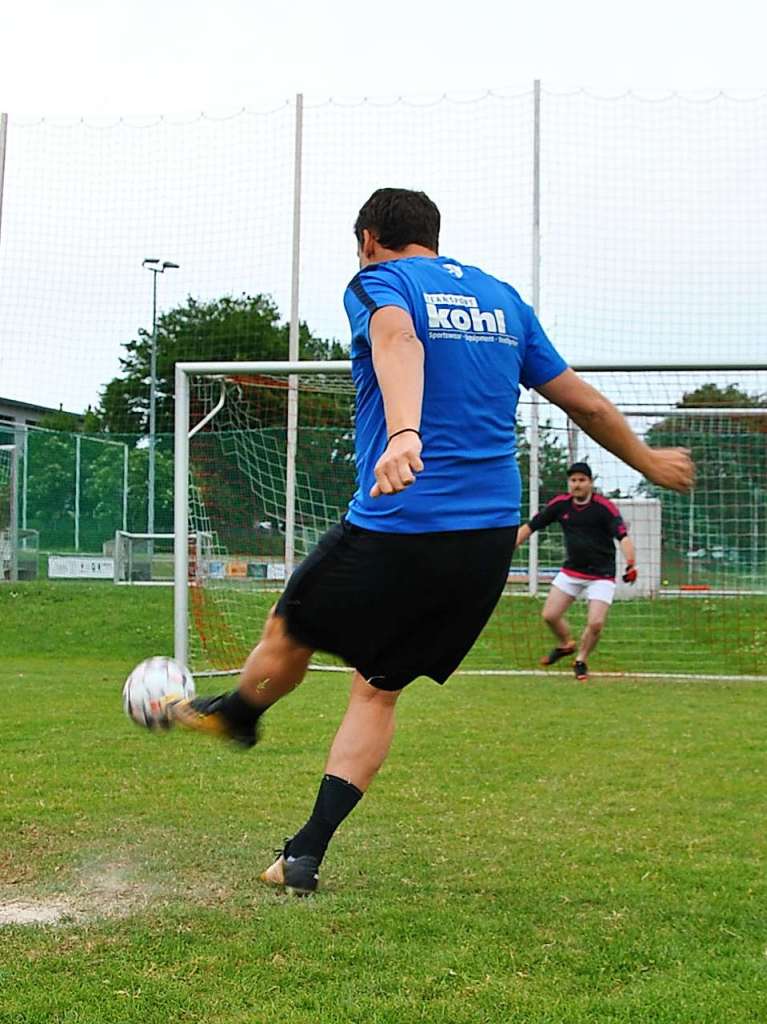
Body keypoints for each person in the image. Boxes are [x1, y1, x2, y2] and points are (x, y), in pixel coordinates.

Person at [165, 187, 694, 895]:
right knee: (377, 690)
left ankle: (240, 714)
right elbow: (584, 403)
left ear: (367, 237)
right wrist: (649, 464)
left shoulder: (381, 280)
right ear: (433, 237)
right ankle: (303, 853)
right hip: (483, 544)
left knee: (289, 627)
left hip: (401, 521)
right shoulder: (502, 300)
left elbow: (398, 338)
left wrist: (405, 431)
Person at [515, 462, 638, 682]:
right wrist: (508, 547)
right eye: (573, 480)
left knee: (596, 623)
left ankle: (581, 660)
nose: (577, 485)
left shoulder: (604, 508)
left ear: (590, 483)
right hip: (572, 571)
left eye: (582, 480)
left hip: (601, 575)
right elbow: (532, 526)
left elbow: (623, 537)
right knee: (550, 615)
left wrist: (631, 563)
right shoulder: (561, 505)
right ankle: (565, 644)